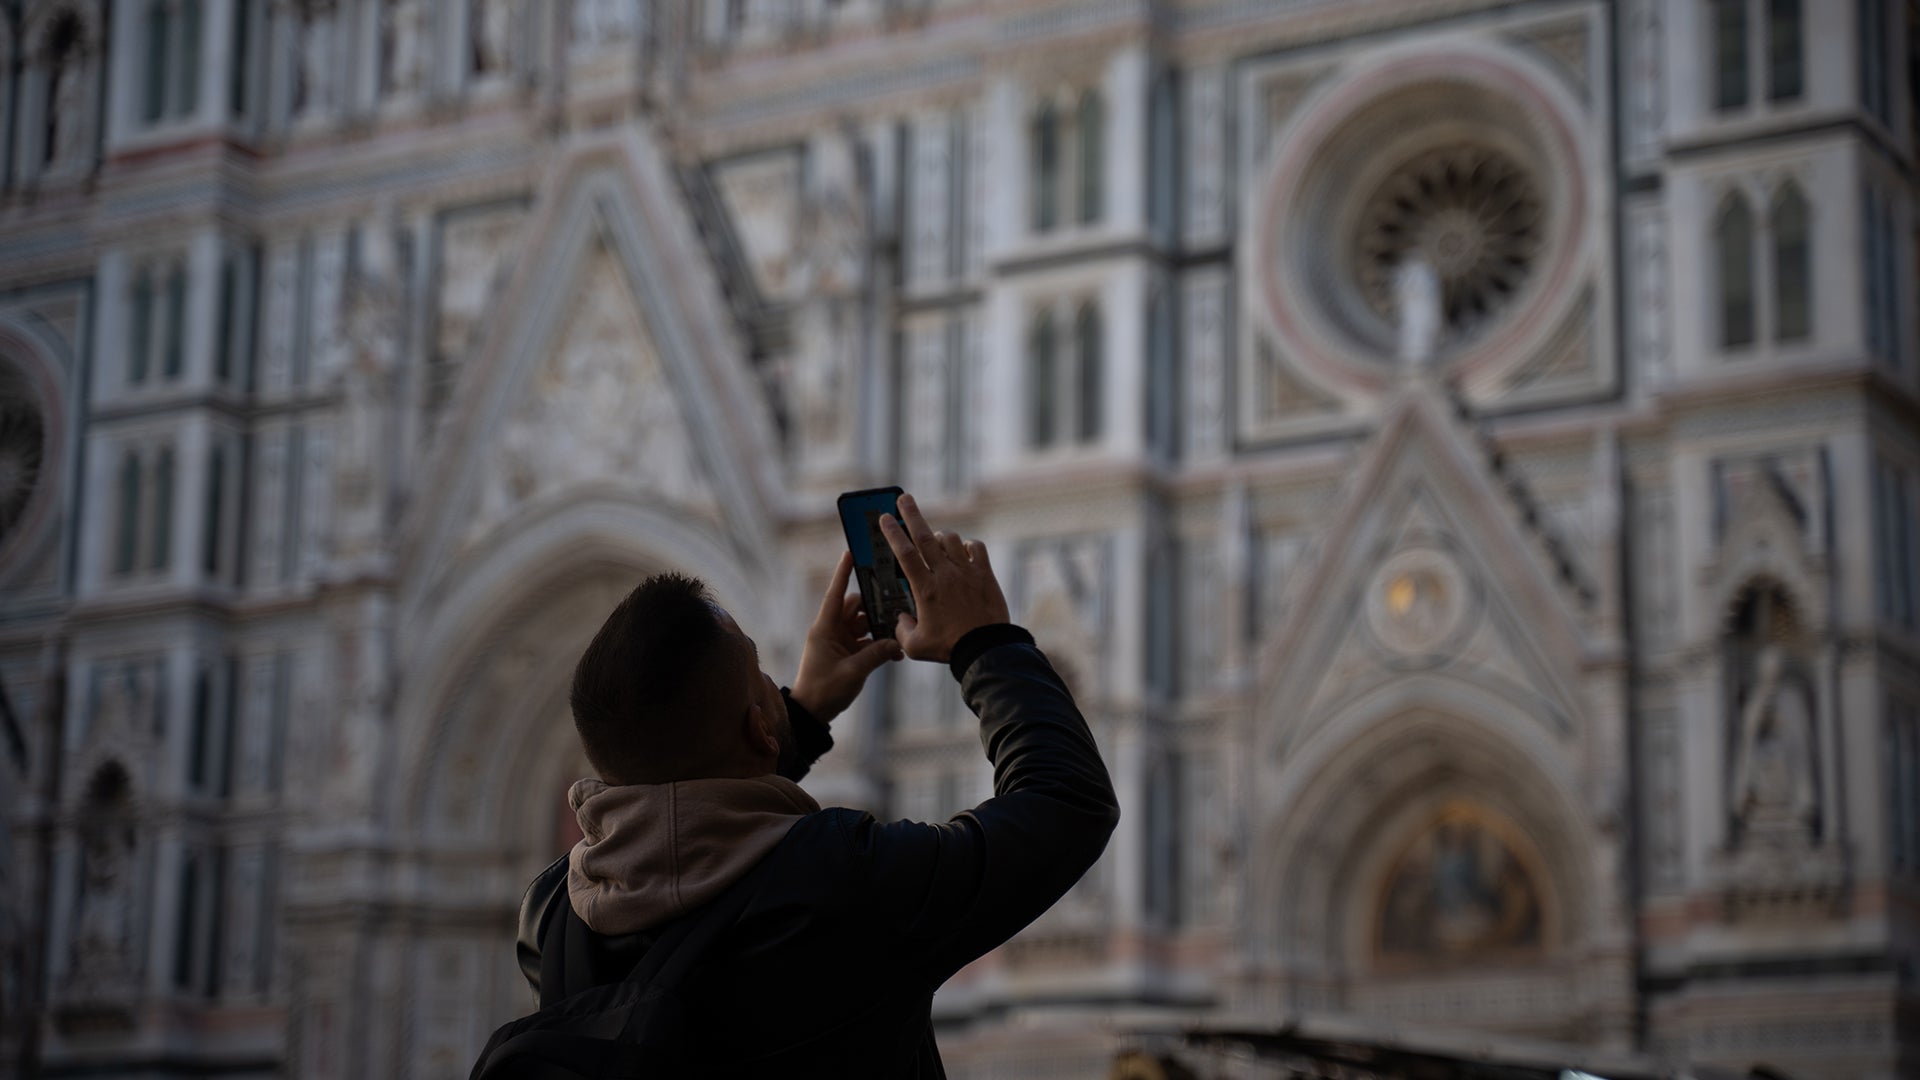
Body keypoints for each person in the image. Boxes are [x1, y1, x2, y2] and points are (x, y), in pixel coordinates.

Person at [514, 493, 1120, 1075]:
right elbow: (1066, 802)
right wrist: (985, 643)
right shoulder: (846, 886)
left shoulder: (552, 921)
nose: (774, 682)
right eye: (760, 675)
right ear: (757, 727)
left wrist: (796, 716)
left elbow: (688, 838)